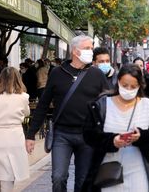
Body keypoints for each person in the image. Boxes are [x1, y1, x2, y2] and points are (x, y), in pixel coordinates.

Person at [26, 35, 109, 192]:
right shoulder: (57, 73)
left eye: (91, 49)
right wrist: (31, 135)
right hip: (62, 134)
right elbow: (43, 105)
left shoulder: (97, 74)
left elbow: (109, 103)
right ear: (75, 51)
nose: (91, 52)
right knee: (58, 178)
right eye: (87, 49)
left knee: (83, 181)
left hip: (88, 135)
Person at [82, 64, 149, 192]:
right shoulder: (102, 105)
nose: (128, 89)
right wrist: (112, 141)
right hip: (108, 169)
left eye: (133, 86)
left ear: (140, 86)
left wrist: (141, 137)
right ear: (118, 82)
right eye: (124, 85)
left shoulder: (147, 106)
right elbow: (89, 135)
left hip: (139, 169)